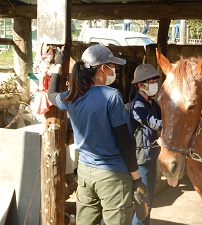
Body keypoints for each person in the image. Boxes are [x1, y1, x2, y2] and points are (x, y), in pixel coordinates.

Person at [48, 45, 148, 225]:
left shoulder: (71, 96)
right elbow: (125, 142)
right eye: (113, 65)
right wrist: (137, 178)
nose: (115, 69)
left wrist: (57, 66)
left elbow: (51, 95)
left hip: (85, 173)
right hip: (113, 176)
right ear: (103, 68)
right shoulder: (111, 96)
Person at [128, 64, 162, 225]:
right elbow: (154, 123)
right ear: (141, 85)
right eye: (152, 81)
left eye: (156, 81)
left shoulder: (152, 104)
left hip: (152, 158)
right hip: (141, 161)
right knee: (143, 204)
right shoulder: (137, 105)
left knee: (149, 203)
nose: (155, 84)